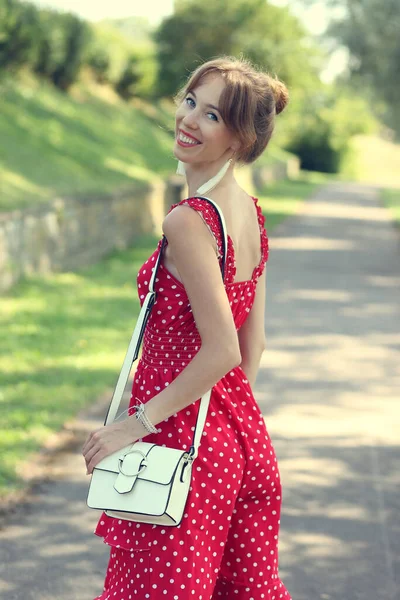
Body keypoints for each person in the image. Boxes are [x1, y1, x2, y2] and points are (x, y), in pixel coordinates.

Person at [83, 54, 291, 600]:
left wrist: (134, 425)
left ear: (241, 139)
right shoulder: (250, 213)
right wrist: (224, 436)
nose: (190, 119)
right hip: (242, 448)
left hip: (178, 450)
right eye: (191, 101)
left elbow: (223, 348)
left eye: (214, 116)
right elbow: (253, 347)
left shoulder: (190, 220)